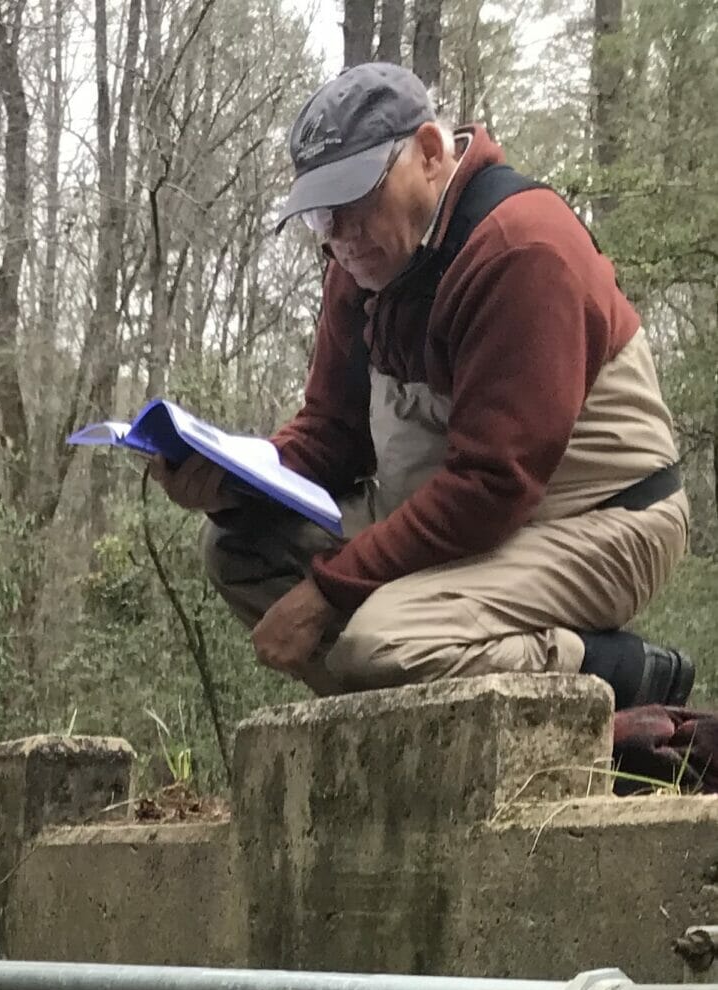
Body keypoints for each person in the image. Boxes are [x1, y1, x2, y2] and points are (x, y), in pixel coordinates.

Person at [153, 62, 694, 708]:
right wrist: (233, 479)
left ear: (431, 154)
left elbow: (492, 485)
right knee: (236, 548)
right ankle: (401, 720)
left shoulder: (522, 250)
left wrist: (332, 591)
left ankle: (608, 672)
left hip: (605, 522)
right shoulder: (359, 268)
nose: (339, 236)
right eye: (321, 215)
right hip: (461, 509)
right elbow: (332, 433)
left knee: (381, 646)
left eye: (356, 202)